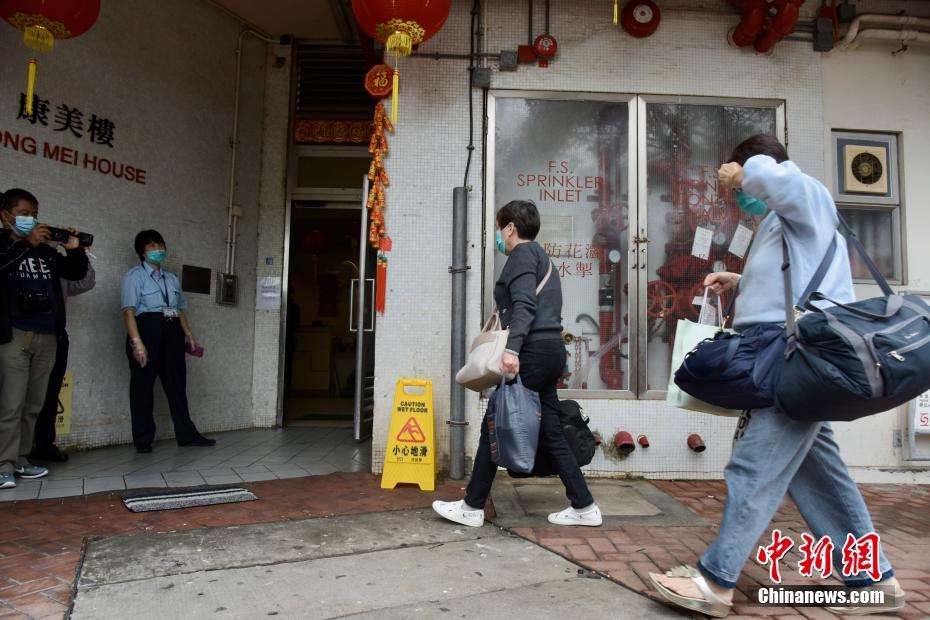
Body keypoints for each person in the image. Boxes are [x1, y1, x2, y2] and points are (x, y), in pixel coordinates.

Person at [650, 135, 904, 617]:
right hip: (788, 355)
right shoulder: (781, 219)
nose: (736, 192)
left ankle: (715, 580)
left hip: (798, 358)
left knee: (754, 467)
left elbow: (775, 177)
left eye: (738, 176)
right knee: (820, 477)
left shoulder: (806, 194)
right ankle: (875, 582)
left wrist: (743, 171)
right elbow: (799, 278)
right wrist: (741, 282)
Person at [433, 200, 601, 528]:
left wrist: (512, 350)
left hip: (532, 352)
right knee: (551, 430)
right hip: (551, 350)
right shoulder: (541, 257)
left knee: (494, 421)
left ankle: (472, 506)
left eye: (501, 227)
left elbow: (524, 304)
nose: (500, 234)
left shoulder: (523, 255)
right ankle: (584, 506)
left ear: (510, 227)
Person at [0, 188, 87, 489]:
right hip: (14, 335)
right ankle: (3, 465)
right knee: (10, 403)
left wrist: (73, 246)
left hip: (47, 335)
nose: (31, 219)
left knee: (33, 404)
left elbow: (76, 271)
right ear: (6, 215)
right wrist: (25, 243)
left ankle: (22, 458)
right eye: (24, 213)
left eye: (34, 214)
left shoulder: (46, 251)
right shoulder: (5, 246)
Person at [121, 230, 215, 453]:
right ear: (142, 252)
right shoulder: (134, 277)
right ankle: (143, 439)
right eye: (152, 246)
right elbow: (128, 311)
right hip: (147, 330)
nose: (158, 250)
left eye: (160, 245)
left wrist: (189, 334)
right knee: (143, 386)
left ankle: (186, 434)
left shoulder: (171, 278)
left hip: (172, 331)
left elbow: (180, 308)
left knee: (177, 384)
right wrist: (137, 342)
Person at [30, 262, 96, 463]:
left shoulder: (57, 264)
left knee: (50, 393)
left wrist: (79, 254)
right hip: (24, 333)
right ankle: (15, 452)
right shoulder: (21, 258)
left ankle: (44, 445)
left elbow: (85, 282)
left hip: (56, 334)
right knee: (17, 395)